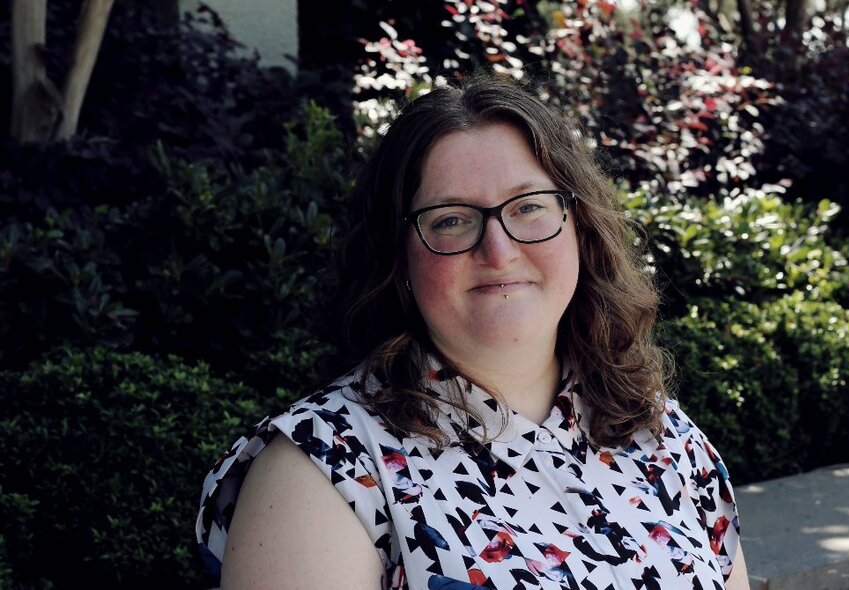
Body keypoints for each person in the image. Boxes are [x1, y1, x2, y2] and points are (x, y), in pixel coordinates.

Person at [195, 74, 749, 589]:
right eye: (451, 219)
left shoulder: (662, 435)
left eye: (529, 207)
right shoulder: (325, 470)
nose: (500, 250)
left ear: (581, 228)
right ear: (396, 257)